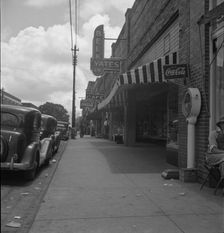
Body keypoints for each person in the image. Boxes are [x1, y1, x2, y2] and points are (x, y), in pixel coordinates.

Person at [206, 116, 224, 183]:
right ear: (220, 125)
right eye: (223, 124)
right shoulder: (213, 134)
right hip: (212, 157)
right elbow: (213, 150)